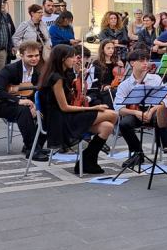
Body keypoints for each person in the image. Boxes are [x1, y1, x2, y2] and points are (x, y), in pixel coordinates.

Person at [37, 44, 117, 174]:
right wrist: (93, 108)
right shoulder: (56, 78)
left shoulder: (64, 74)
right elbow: (64, 107)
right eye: (72, 57)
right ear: (63, 58)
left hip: (65, 116)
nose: (75, 60)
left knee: (107, 127)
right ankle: (87, 159)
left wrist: (78, 74)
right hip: (60, 120)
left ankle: (87, 160)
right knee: (113, 115)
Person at [113, 49, 167, 171]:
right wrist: (136, 112)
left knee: (162, 118)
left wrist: (151, 111)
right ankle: (137, 153)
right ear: (132, 63)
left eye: (147, 60)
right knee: (124, 124)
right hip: (135, 112)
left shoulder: (156, 79)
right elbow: (118, 107)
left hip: (152, 110)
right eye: (141, 60)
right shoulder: (125, 84)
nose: (145, 63)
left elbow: (164, 101)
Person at [0, 41, 48, 161]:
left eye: (36, 55)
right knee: (23, 111)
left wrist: (36, 106)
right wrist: (18, 101)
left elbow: (39, 92)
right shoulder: (10, 69)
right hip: (2, 104)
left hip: (26, 104)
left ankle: (35, 145)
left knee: (48, 111)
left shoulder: (38, 72)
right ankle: (32, 149)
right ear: (21, 55)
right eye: (30, 56)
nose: (34, 59)